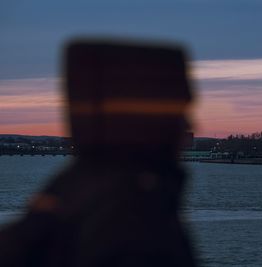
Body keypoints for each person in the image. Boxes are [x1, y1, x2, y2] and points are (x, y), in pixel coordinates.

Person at [0, 39, 197, 267]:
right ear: (145, 120)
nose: (192, 125)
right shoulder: (136, 221)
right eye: (180, 112)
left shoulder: (69, 192)